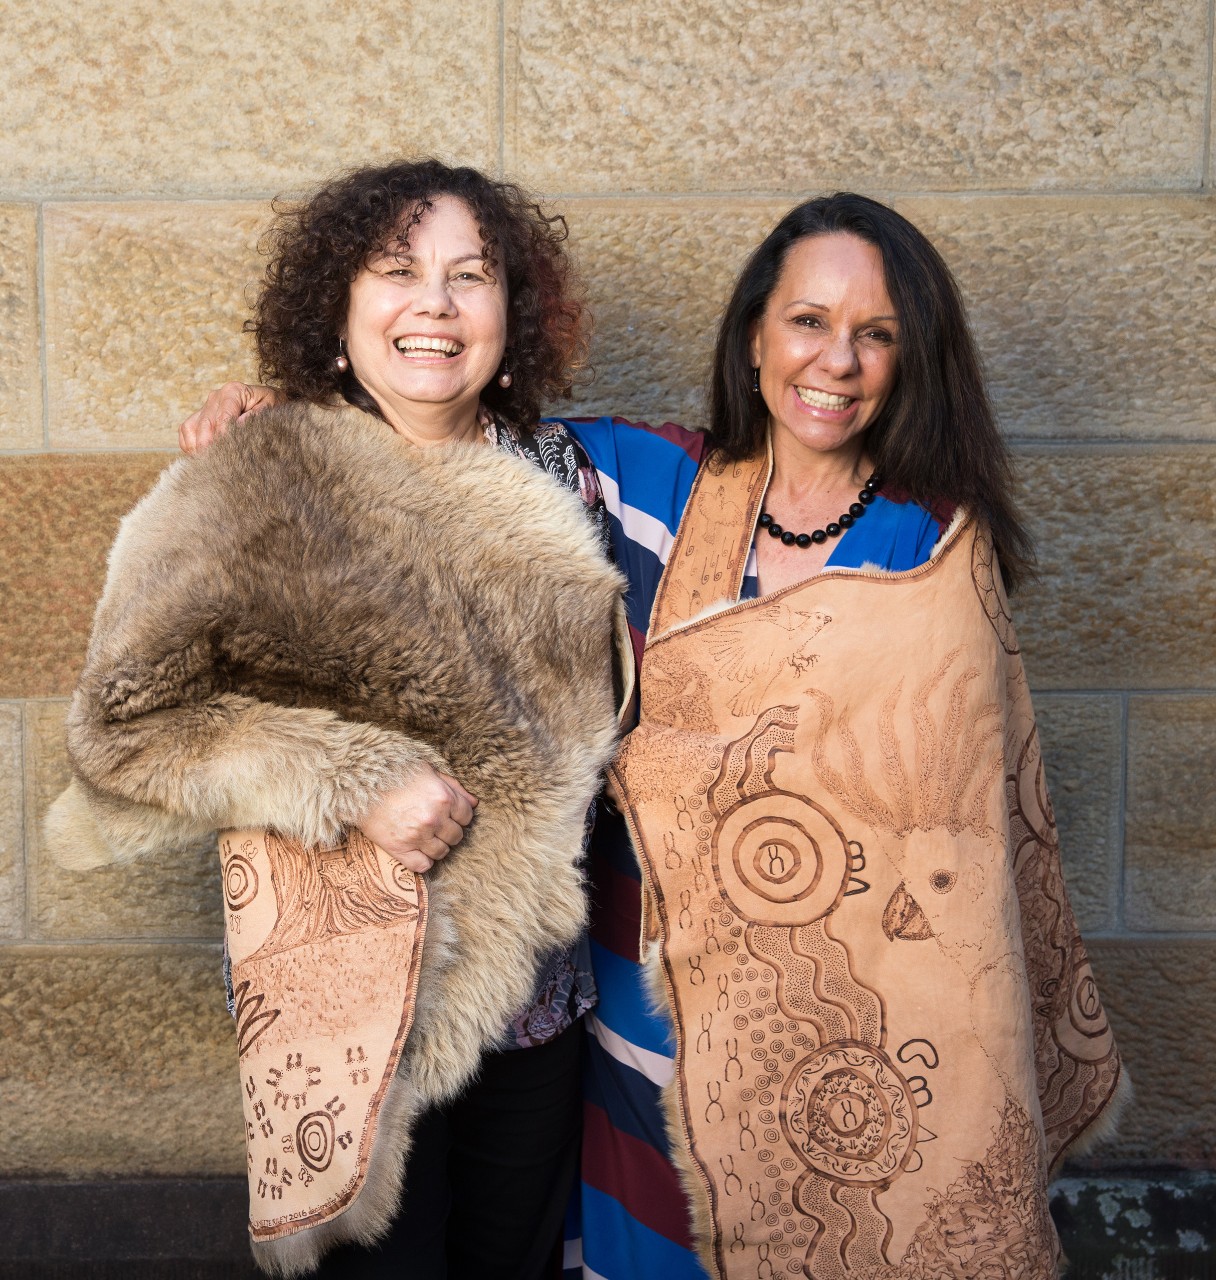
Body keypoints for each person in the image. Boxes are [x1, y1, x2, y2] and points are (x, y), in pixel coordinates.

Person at [183, 193, 1125, 1279]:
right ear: (754, 335)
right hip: (628, 1018)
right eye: (808, 321)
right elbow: (422, 432)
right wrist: (275, 424)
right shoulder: (646, 486)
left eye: (878, 334)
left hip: (846, 1015)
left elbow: (963, 825)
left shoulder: (931, 550)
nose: (837, 360)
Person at [52, 158, 627, 1280]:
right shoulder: (256, 475)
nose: (436, 304)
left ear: (513, 313)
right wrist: (355, 777)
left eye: (472, 275)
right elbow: (124, 730)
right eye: (398, 271)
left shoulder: (573, 478)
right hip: (342, 1008)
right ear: (339, 305)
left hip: (537, 1003)